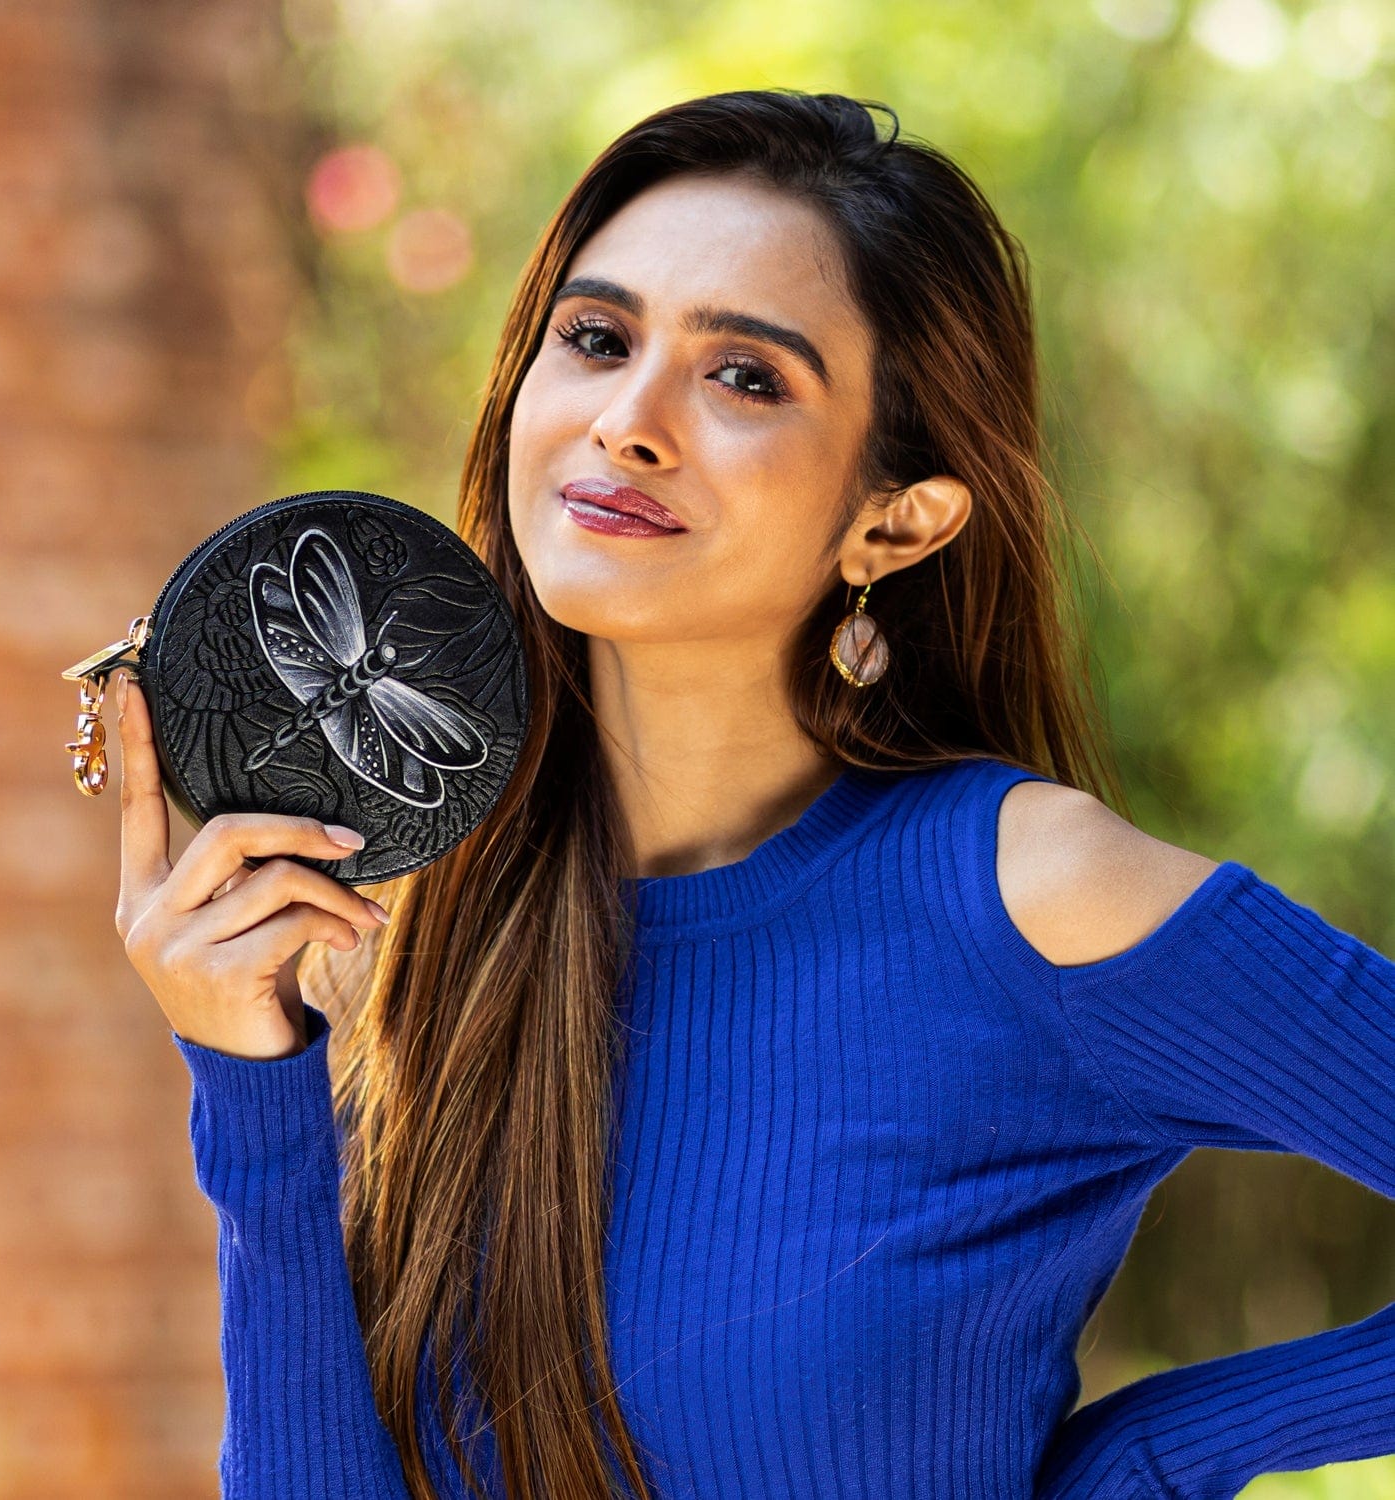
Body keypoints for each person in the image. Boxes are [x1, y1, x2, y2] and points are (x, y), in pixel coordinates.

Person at [113, 88, 1395, 1499]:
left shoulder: (1030, 896)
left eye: (747, 378)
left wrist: (1149, 1459)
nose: (630, 422)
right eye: (598, 340)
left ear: (894, 519)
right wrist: (251, 1077)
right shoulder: (428, 919)